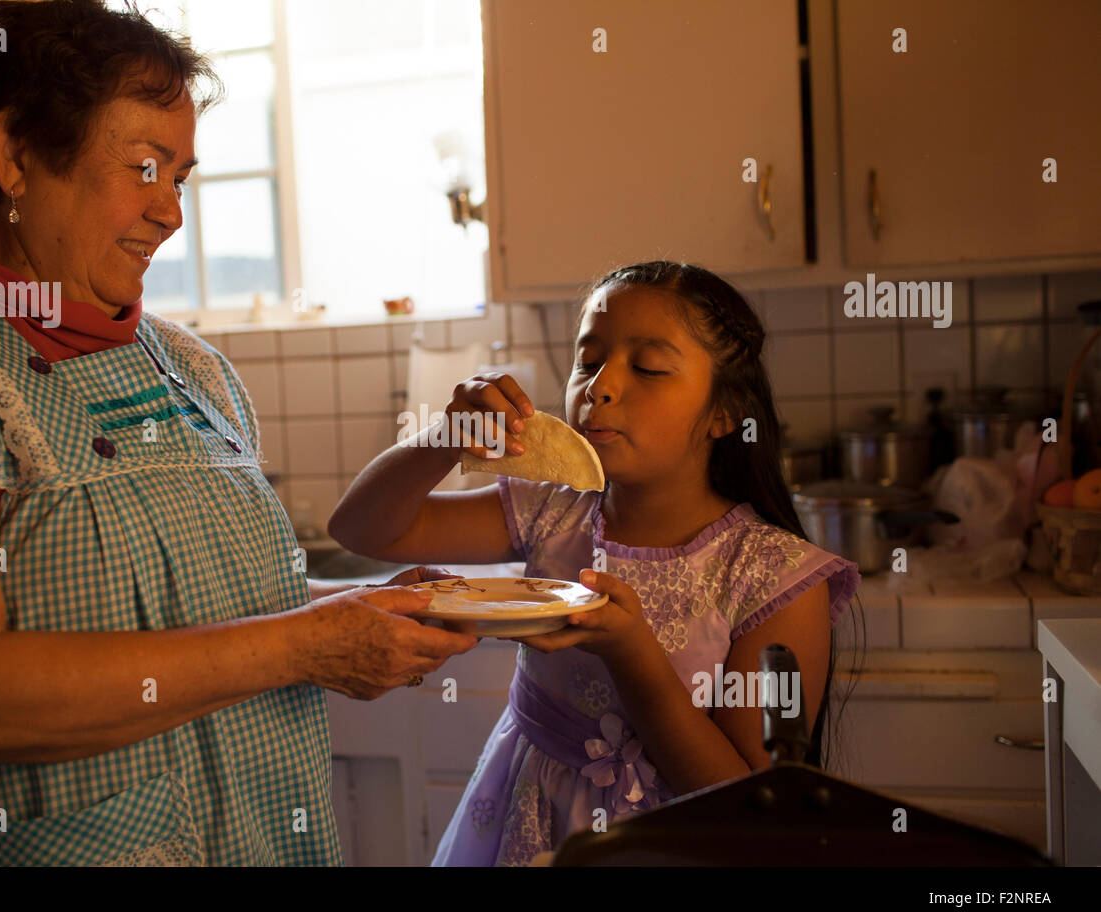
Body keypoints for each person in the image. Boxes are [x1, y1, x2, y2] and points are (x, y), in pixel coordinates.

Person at [0, 0, 474, 866]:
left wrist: (360, 616)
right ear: (16, 154)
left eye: (180, 178)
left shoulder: (192, 371)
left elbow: (210, 626)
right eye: (144, 168)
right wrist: (309, 643)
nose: (172, 214)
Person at [329, 260, 863, 866]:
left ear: (723, 413)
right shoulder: (552, 509)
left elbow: (751, 805)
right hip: (526, 824)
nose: (600, 385)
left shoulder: (773, 577)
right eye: (589, 361)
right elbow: (361, 528)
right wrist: (445, 438)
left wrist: (631, 652)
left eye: (649, 367)